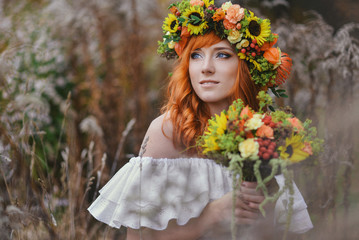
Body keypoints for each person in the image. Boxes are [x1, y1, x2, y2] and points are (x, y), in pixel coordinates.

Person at [88, 1, 313, 239]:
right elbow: (138, 236)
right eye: (196, 55)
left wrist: (266, 201)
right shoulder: (169, 131)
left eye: (222, 55)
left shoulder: (264, 133)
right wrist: (212, 215)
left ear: (245, 67)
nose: (206, 68)